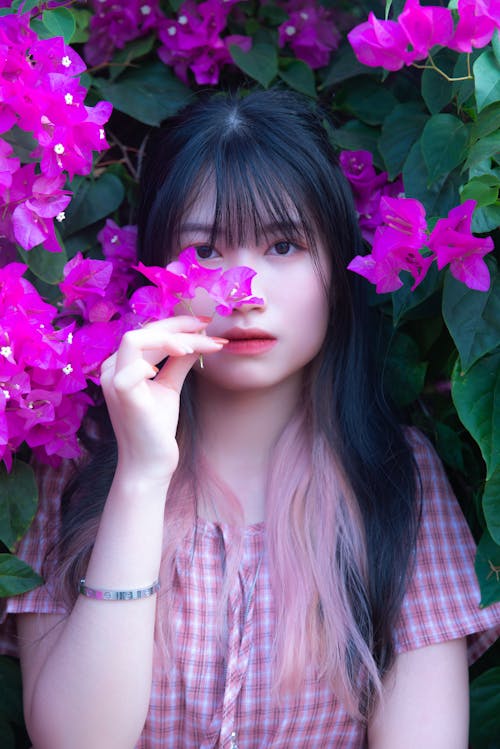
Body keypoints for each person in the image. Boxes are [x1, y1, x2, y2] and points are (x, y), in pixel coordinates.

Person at [1, 89, 499, 749]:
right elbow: (76, 740)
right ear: (155, 267)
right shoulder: (76, 467)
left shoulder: (396, 478)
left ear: (337, 264)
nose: (246, 295)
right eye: (206, 250)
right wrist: (141, 478)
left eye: (284, 245)